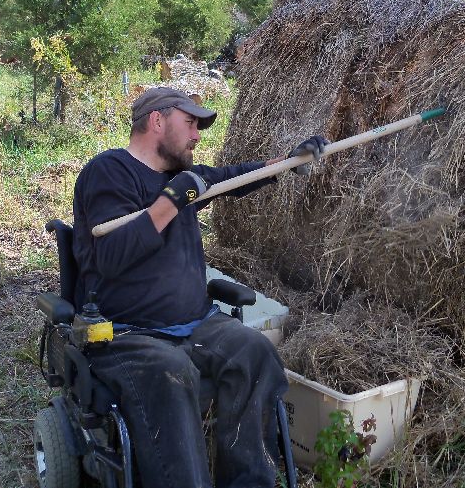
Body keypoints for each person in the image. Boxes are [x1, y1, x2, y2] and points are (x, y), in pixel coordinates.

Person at [72, 86, 327, 488]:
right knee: (174, 373)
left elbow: (235, 178)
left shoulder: (182, 177)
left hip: (197, 322)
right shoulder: (109, 171)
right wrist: (171, 201)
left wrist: (288, 162)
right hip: (128, 333)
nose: (196, 135)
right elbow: (111, 256)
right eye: (190, 123)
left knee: (256, 353)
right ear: (157, 121)